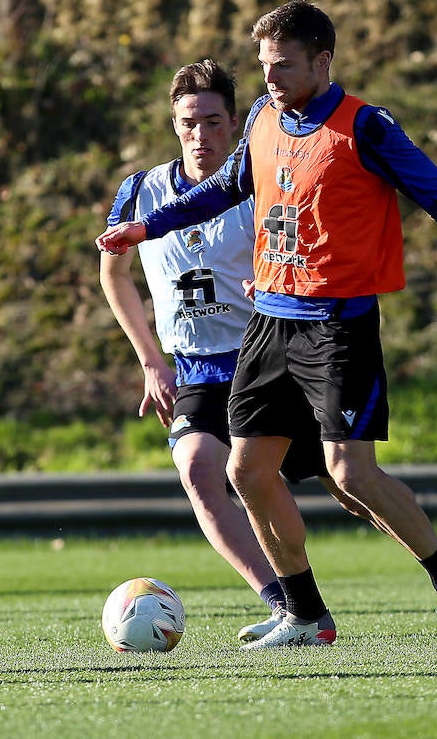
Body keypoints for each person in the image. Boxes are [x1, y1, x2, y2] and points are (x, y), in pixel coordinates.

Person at [97, 0, 437, 648]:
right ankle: (305, 613)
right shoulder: (260, 115)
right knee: (247, 472)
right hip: (271, 324)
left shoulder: (365, 127)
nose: (269, 80)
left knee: (352, 477)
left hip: (338, 327)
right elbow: (223, 187)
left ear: (322, 62)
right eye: (263, 66)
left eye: (282, 66)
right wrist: (149, 225)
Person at [100, 58, 321, 643]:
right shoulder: (141, 191)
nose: (201, 135)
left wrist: (269, 284)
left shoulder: (262, 183)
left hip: (268, 360)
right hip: (196, 369)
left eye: (214, 121)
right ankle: (288, 606)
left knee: (345, 484)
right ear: (175, 124)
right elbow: (114, 275)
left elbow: (295, 257)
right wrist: (150, 359)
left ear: (235, 124)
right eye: (188, 122)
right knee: (200, 470)